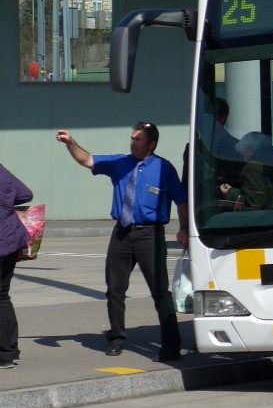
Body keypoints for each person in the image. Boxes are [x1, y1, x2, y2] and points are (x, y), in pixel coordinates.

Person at [56, 123, 187, 362]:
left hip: (151, 235)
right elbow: (87, 160)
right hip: (122, 234)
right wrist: (70, 142)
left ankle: (171, 346)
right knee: (115, 290)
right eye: (132, 138)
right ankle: (116, 339)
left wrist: (185, 228)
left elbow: (181, 200)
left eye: (138, 139)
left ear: (152, 144)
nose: (133, 142)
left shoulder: (164, 168)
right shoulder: (119, 163)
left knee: (160, 292)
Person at [0, 164, 33, 370]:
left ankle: (5, 354)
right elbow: (25, 194)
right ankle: (10, 352)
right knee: (2, 296)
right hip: (11, 239)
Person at [218, 132, 273, 210]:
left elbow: (254, 203)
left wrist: (230, 192)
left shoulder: (253, 166)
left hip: (272, 217)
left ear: (249, 149)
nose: (242, 157)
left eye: (242, 152)